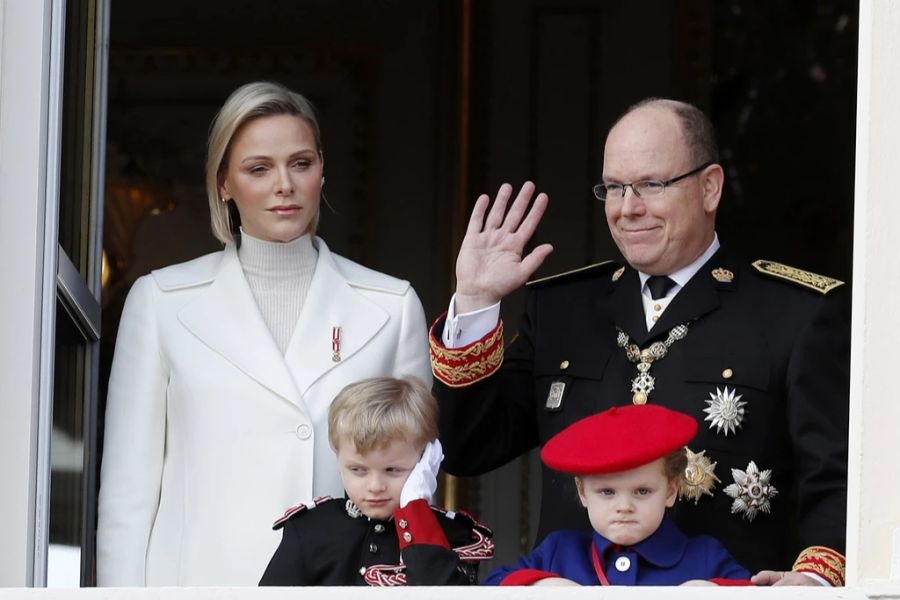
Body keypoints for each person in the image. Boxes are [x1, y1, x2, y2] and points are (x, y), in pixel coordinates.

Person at [429, 98, 849, 586]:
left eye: (652, 184)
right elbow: (467, 450)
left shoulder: (794, 312)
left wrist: (817, 580)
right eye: (614, 188)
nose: (628, 208)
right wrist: (476, 301)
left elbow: (837, 475)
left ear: (709, 187)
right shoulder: (564, 308)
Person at [96, 81, 431, 586]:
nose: (284, 185)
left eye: (301, 163)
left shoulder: (392, 306)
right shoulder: (161, 301)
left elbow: (415, 486)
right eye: (259, 168)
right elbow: (128, 491)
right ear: (224, 183)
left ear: (322, 170)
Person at [259, 376, 493, 586]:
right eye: (358, 470)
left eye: (392, 469)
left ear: (426, 461)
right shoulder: (310, 529)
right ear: (338, 459)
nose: (375, 486)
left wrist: (415, 511)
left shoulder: (452, 534)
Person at [485, 404, 750, 586]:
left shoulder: (704, 556)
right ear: (582, 491)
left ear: (671, 490)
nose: (624, 506)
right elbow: (490, 586)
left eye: (642, 491)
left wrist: (712, 592)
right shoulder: (560, 552)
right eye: (607, 492)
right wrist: (540, 585)